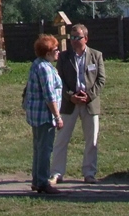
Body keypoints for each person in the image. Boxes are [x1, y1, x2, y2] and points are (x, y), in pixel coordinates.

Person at [51, 24, 106, 184]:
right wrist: (70, 96)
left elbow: (101, 80)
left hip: (90, 103)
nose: (74, 41)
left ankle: (89, 173)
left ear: (86, 38)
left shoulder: (96, 55)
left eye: (78, 37)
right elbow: (58, 80)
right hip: (70, 103)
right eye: (72, 37)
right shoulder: (63, 57)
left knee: (91, 140)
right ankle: (57, 173)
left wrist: (88, 96)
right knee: (61, 139)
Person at [24, 34, 64, 194]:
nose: (58, 52)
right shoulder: (45, 69)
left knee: (38, 149)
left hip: (36, 114)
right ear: (47, 52)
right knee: (45, 150)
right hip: (44, 116)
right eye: (55, 49)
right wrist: (57, 116)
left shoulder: (38, 64)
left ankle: (36, 180)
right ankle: (42, 182)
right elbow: (49, 95)